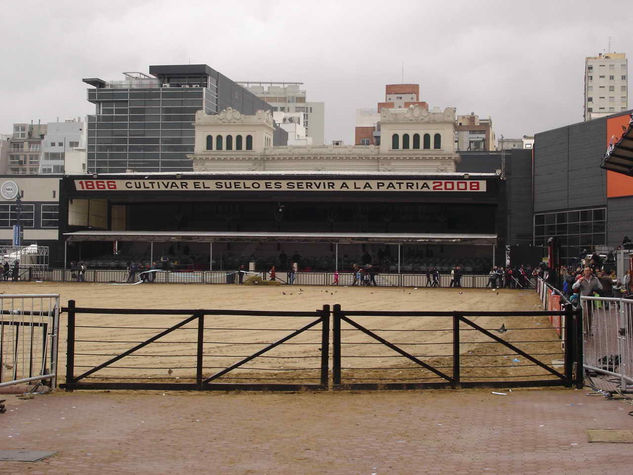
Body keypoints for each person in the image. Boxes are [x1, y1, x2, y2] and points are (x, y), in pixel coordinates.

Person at [572, 266, 603, 336]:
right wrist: (579, 282)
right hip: (584, 299)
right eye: (586, 271)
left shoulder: (595, 279)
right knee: (585, 315)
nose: (587, 272)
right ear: (584, 272)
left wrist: (596, 290)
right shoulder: (581, 279)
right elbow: (574, 287)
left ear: (591, 271)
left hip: (592, 299)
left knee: (590, 314)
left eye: (588, 270)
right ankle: (585, 330)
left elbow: (600, 287)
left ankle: (589, 330)